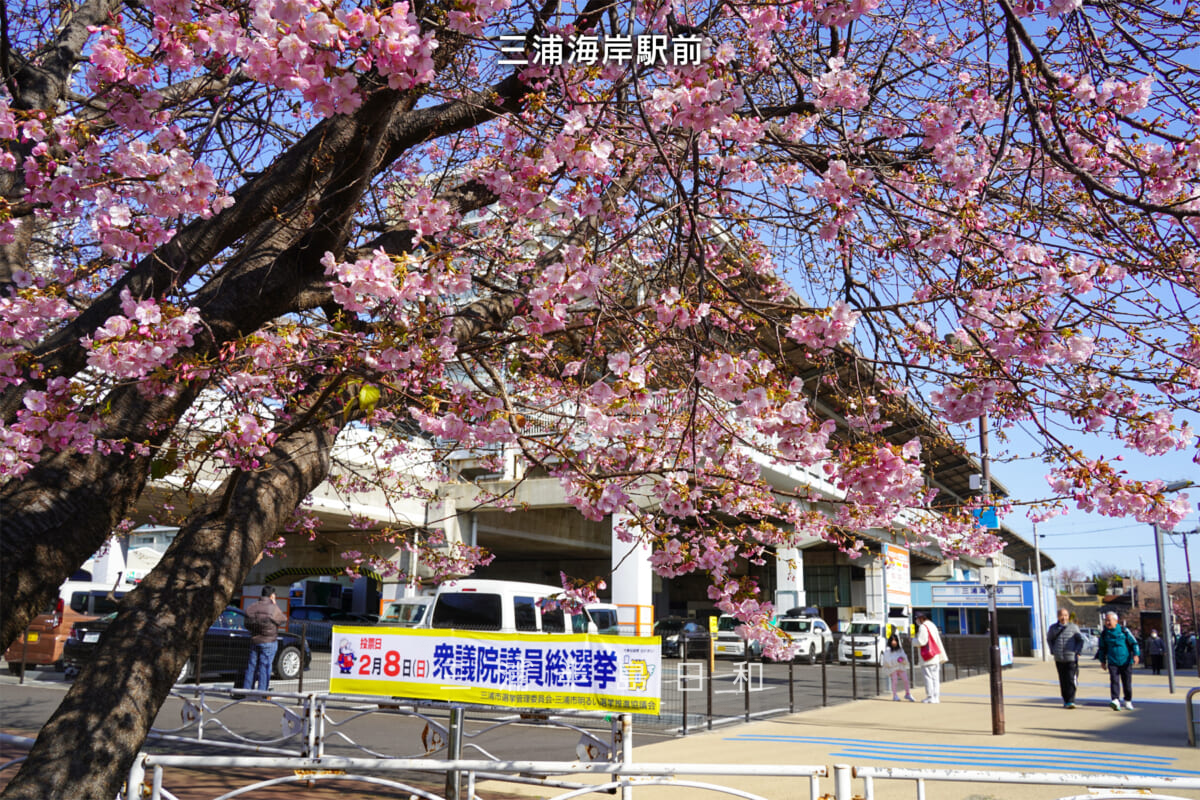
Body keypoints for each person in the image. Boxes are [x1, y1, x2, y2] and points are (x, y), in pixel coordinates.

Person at [242, 586, 288, 694]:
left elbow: (246, 622)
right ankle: (262, 692)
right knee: (265, 666)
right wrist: (274, 603)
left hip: (255, 640)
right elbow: (283, 619)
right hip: (269, 641)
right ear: (272, 595)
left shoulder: (252, 607)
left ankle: (246, 691)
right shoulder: (273, 608)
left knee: (251, 666)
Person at [1096, 611, 1140, 710]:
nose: (1107, 622)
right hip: (1112, 661)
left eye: (1109, 620)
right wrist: (1102, 661)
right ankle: (1115, 700)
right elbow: (1102, 648)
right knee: (1114, 681)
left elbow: (1134, 643)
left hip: (1126, 661)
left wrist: (1136, 655)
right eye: (1106, 620)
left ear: (1116, 621)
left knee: (1127, 683)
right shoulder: (1104, 634)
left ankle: (1128, 701)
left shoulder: (1124, 631)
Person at [1046, 608, 1084, 708]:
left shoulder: (1074, 627)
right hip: (1059, 658)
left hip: (1071, 657)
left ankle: (1071, 700)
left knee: (1070, 679)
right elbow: (1049, 640)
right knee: (1063, 680)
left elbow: (1080, 640)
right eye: (1062, 615)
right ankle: (1066, 700)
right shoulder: (1053, 628)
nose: (1064, 617)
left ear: (1068, 616)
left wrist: (1078, 651)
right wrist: (1052, 651)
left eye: (1066, 615)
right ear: (1058, 616)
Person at [914, 612, 948, 703]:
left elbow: (921, 641)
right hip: (935, 655)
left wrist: (913, 641)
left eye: (917, 618)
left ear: (920, 618)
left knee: (928, 677)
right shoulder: (932, 625)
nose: (916, 621)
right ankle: (936, 697)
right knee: (935, 678)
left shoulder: (923, 627)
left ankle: (930, 696)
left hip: (927, 657)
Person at [881, 633, 915, 702]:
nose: (894, 642)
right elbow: (887, 661)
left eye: (895, 640)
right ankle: (895, 695)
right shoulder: (888, 650)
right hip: (893, 668)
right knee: (895, 680)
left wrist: (902, 660)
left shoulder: (900, 649)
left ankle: (907, 693)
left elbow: (904, 657)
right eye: (892, 640)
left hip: (900, 667)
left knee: (905, 680)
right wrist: (896, 660)